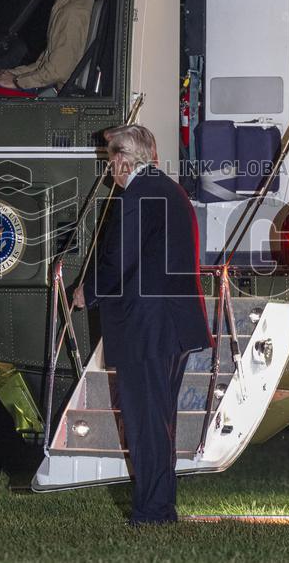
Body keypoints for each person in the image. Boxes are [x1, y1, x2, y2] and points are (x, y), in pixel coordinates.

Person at [72, 125, 212, 525]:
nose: (109, 171)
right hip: (172, 324)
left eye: (109, 161)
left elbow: (120, 256)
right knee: (159, 421)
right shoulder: (168, 189)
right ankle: (160, 507)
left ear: (121, 160)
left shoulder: (137, 192)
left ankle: (152, 512)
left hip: (147, 327)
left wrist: (89, 290)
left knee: (146, 422)